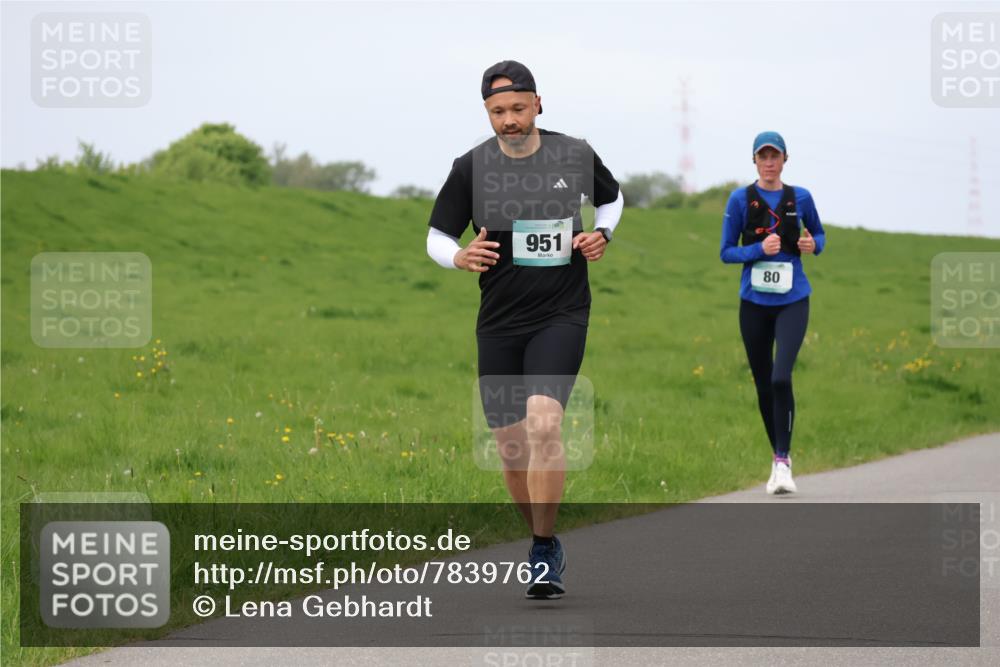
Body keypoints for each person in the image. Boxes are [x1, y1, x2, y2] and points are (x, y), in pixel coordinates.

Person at [425, 60, 623, 598]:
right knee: (511, 449)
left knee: (543, 427)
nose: (508, 119)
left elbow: (611, 197)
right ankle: (540, 536)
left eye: (517, 108)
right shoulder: (471, 168)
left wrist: (601, 233)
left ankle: (542, 546)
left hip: (562, 313)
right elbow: (437, 235)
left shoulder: (573, 154)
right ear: (486, 113)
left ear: (538, 103)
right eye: (497, 111)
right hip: (499, 322)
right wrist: (459, 256)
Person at [719, 131, 825, 495]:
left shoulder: (801, 198)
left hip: (793, 300)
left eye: (774, 156)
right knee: (764, 382)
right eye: (762, 156)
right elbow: (726, 252)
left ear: (784, 159)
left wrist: (813, 245)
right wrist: (758, 249)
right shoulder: (740, 200)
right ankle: (777, 459)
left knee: (782, 378)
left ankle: (784, 459)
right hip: (754, 304)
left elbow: (821, 237)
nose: (768, 162)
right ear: (754, 160)